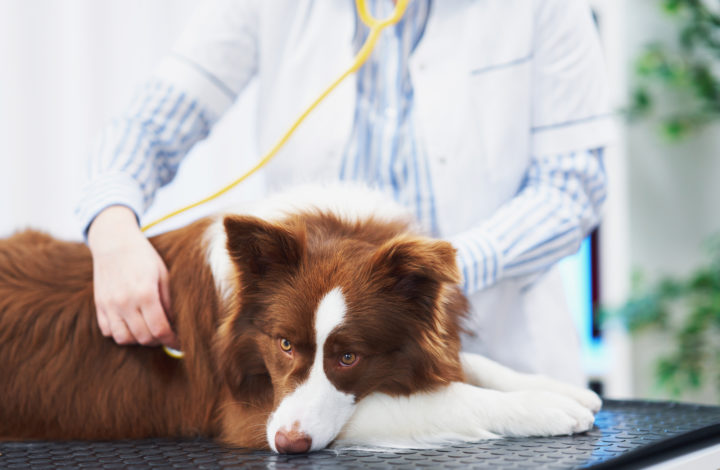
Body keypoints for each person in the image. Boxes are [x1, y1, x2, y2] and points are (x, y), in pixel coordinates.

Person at [77, 0, 613, 386]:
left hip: (502, 353)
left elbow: (571, 189)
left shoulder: (548, 9)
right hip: (324, 382)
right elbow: (147, 126)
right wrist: (112, 230)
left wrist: (425, 278)